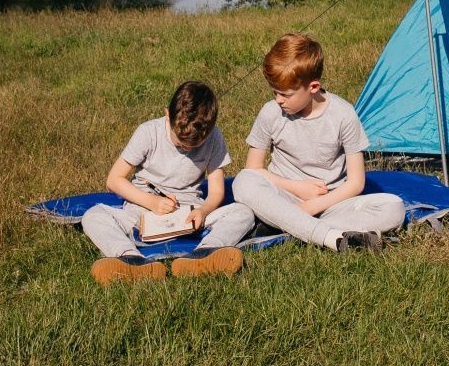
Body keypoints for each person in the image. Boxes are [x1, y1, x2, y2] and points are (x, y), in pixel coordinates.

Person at [233, 33, 405, 250]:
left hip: (330, 204)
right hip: (282, 198)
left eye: (285, 94)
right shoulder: (270, 112)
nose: (278, 99)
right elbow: (253, 169)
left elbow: (356, 183)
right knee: (243, 181)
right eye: (275, 92)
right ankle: (327, 236)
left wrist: (311, 206)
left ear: (313, 87)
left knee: (394, 209)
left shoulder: (343, 114)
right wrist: (297, 188)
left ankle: (285, 225)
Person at [82, 80, 254, 285]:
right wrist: (152, 202)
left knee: (243, 212)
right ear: (167, 114)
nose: (186, 149)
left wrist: (203, 211)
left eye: (194, 145)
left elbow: (216, 191)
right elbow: (114, 180)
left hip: (190, 215)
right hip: (142, 213)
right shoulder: (148, 132)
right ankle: (130, 258)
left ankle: (206, 253)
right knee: (93, 215)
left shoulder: (214, 137)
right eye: (180, 143)